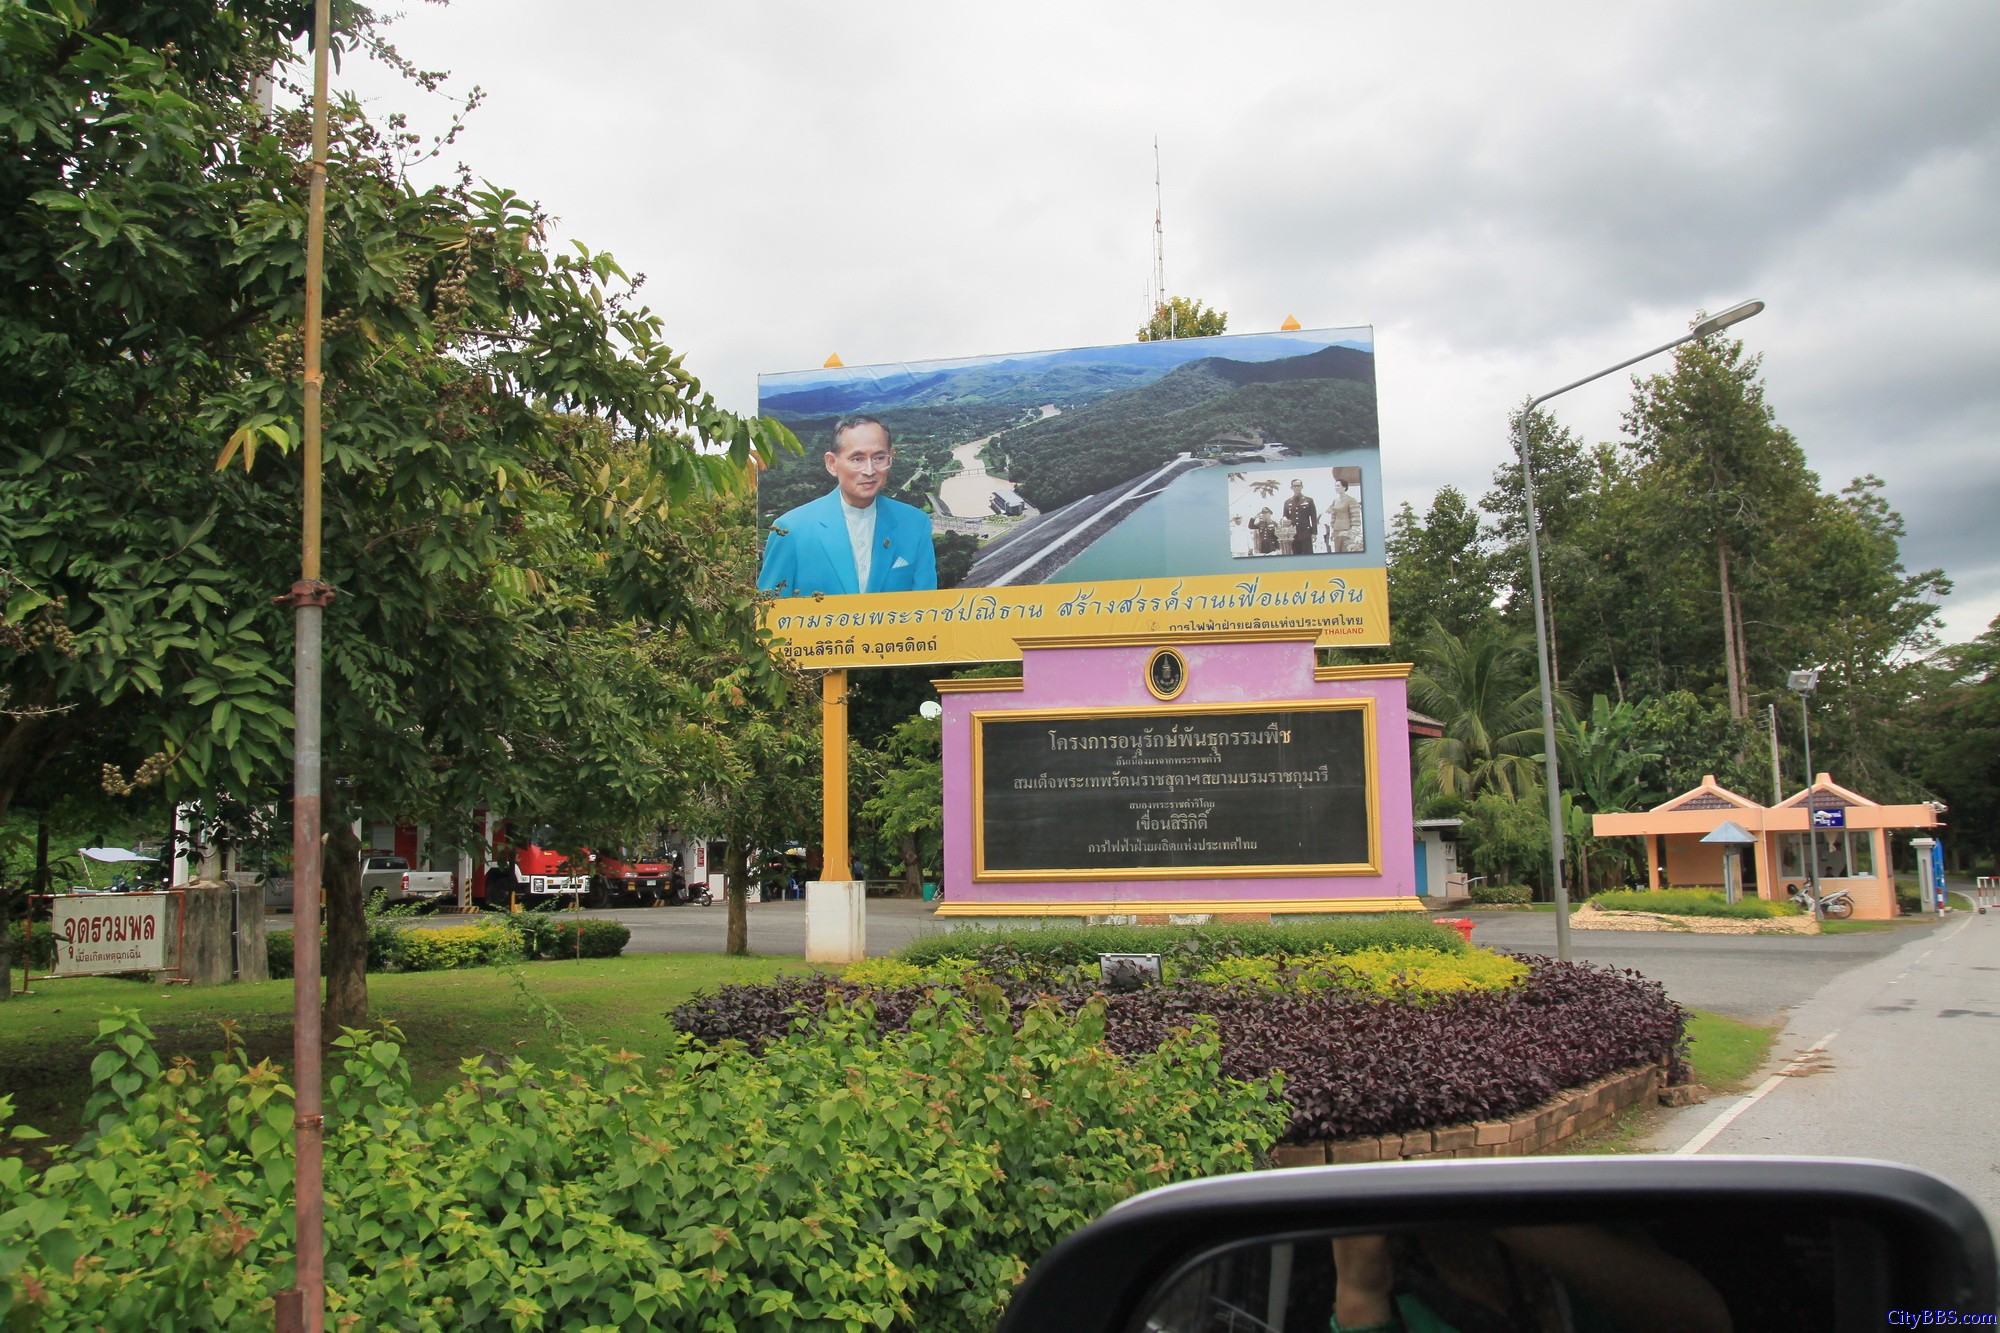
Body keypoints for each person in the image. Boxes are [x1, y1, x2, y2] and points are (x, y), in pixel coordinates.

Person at [757, 415, 938, 597]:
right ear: (832, 463)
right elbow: (771, 613)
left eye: (879, 458)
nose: (869, 471)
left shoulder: (916, 524)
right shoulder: (790, 530)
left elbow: (926, 610)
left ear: (891, 457)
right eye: (857, 459)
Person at [1323, 473, 1365, 553]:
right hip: (1336, 532)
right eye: (1335, 486)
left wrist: (1350, 532)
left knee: (1346, 553)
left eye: (1338, 486)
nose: (1336, 488)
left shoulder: (1351, 500)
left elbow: (1356, 517)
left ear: (1344, 487)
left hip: (1346, 531)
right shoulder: (1335, 501)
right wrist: (1333, 531)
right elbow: (1332, 516)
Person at [1283, 478, 1318, 555]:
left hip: (1306, 533)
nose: (1296, 488)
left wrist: (1314, 533)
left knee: (1308, 555)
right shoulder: (1287, 502)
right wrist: (1285, 521)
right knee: (1296, 555)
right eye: (1294, 486)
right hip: (1293, 534)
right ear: (1291, 488)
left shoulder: (1309, 500)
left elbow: (1313, 518)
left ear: (1302, 487)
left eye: (1298, 486)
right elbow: (1285, 517)